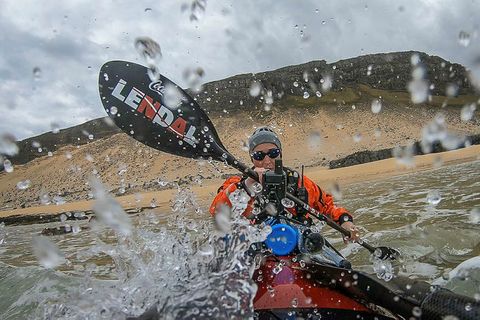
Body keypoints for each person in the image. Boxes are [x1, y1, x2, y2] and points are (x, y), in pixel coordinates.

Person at [209, 126, 360, 243]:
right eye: (259, 155)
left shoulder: (298, 181)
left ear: (280, 153)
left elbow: (328, 206)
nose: (267, 161)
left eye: (273, 153)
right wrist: (248, 185)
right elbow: (216, 210)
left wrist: (345, 222)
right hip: (255, 249)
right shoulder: (236, 184)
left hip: (295, 245)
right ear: (252, 159)